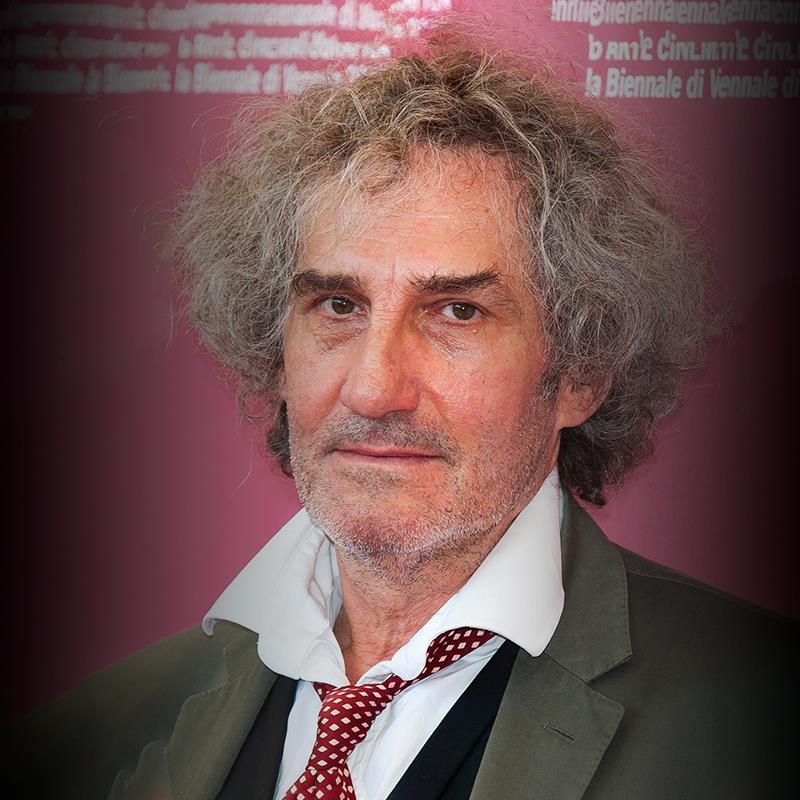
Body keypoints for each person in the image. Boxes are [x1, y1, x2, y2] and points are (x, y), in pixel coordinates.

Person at [10, 34, 797, 800]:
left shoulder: (761, 715)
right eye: (338, 305)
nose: (373, 388)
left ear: (580, 371)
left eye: (457, 311)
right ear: (275, 349)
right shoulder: (84, 740)